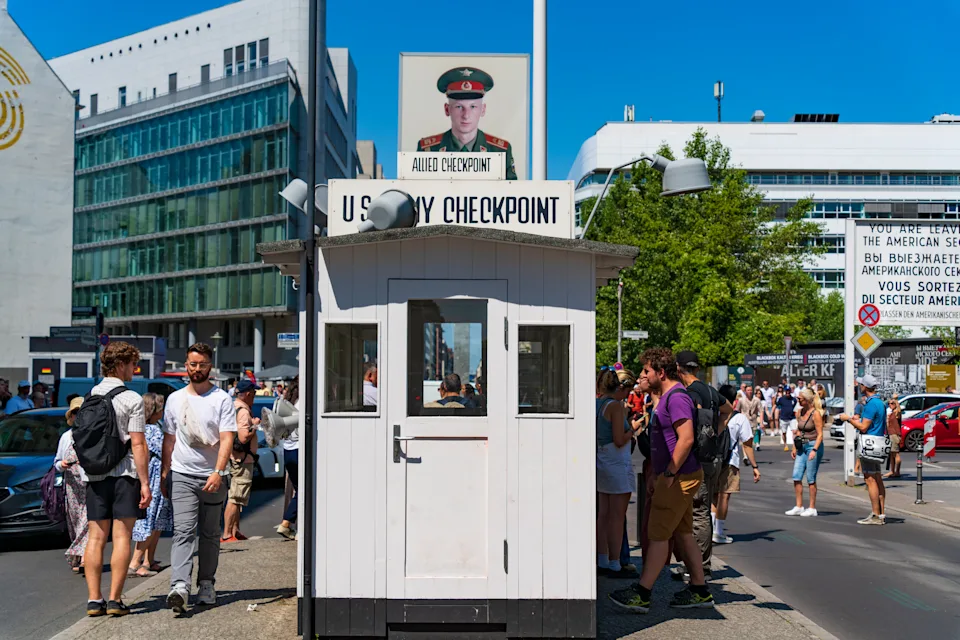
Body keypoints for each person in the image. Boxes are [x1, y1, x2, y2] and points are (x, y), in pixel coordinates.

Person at [609, 348, 713, 613]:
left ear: (660, 372)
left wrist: (668, 473)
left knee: (657, 534)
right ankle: (700, 590)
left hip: (679, 477)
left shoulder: (676, 398)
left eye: (646, 371)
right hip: (677, 475)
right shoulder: (668, 397)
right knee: (683, 532)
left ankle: (642, 593)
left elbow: (686, 439)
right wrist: (658, 471)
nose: (642, 375)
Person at [161, 343, 237, 612]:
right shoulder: (175, 399)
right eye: (192, 364)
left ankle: (206, 583)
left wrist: (218, 471)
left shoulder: (222, 399)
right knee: (182, 531)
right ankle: (179, 586)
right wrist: (165, 472)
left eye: (202, 364)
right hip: (182, 474)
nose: (196, 369)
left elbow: (228, 437)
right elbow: (169, 438)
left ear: (210, 367)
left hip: (213, 476)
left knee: (209, 533)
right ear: (186, 365)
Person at [80, 342, 150, 618]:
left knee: (96, 538)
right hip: (125, 475)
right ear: (120, 365)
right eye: (133, 363)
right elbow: (138, 444)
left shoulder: (90, 396)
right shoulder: (132, 398)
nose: (135, 368)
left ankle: (93, 600)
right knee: (122, 537)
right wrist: (145, 483)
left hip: (95, 474)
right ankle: (114, 600)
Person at [674, 350, 731, 577]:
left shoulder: (688, 394)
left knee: (698, 512)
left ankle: (699, 567)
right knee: (703, 510)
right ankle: (698, 564)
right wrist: (716, 431)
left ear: (678, 369)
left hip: (697, 458)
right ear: (696, 368)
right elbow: (728, 409)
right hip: (712, 456)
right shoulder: (710, 390)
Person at [417, 66, 517, 180]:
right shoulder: (428, 151)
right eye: (459, 107)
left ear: (483, 109)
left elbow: (511, 195)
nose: (466, 115)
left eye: (473, 107)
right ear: (447, 109)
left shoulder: (500, 151)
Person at [595, 367, 639, 577]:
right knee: (617, 516)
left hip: (601, 459)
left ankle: (602, 559)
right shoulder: (615, 406)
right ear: (620, 387)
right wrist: (634, 428)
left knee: (603, 514)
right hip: (615, 461)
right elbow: (620, 440)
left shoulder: (597, 403)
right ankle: (615, 563)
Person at [129, 393, 172, 577]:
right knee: (151, 521)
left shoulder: (144, 428)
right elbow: (165, 452)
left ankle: (149, 560)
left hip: (150, 479)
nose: (162, 411)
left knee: (156, 522)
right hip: (155, 481)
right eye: (160, 408)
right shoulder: (152, 430)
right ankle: (135, 563)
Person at [713, 385, 761, 544]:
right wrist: (754, 466)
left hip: (711, 460)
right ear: (734, 400)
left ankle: (710, 529)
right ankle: (718, 531)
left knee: (713, 495)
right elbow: (747, 445)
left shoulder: (712, 414)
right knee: (724, 495)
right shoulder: (739, 418)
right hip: (730, 461)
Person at [839, 374, 888, 525]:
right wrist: (858, 420)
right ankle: (880, 514)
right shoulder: (880, 402)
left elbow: (864, 427)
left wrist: (848, 419)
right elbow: (872, 423)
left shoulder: (871, 404)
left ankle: (875, 515)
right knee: (878, 478)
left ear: (865, 387)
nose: (859, 386)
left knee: (870, 479)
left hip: (869, 444)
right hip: (878, 442)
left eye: (861, 384)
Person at [222, 378, 261, 543]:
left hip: (236, 457)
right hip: (242, 459)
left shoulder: (233, 407)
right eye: (253, 393)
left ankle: (235, 530)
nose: (254, 396)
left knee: (237, 497)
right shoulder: (244, 411)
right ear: (246, 394)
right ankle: (226, 534)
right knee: (235, 498)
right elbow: (244, 437)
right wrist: (255, 425)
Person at [54, 397, 89, 574]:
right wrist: (63, 465)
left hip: (89, 483)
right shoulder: (66, 437)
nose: (78, 416)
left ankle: (83, 557)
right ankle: (77, 556)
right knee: (74, 522)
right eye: (76, 413)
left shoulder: (92, 434)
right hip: (72, 485)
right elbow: (57, 462)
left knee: (87, 521)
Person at [785, 388, 825, 517]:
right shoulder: (800, 412)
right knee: (796, 475)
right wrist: (794, 447)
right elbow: (798, 430)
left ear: (807, 400)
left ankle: (812, 508)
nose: (798, 401)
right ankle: (799, 506)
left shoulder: (816, 414)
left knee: (810, 477)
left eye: (800, 399)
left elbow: (820, 435)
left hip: (813, 445)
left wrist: (814, 450)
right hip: (801, 446)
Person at [277, 378, 300, 540]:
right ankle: (287, 522)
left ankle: (289, 524)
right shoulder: (305, 401)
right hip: (299, 448)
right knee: (306, 490)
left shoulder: (287, 401)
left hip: (288, 448)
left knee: (299, 489)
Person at [739, 386, 763, 451]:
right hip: (744, 422)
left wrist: (761, 422)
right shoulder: (741, 400)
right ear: (745, 391)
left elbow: (761, 411)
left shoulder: (757, 400)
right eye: (748, 390)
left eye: (750, 390)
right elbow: (737, 410)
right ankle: (745, 456)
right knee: (745, 439)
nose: (749, 391)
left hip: (753, 421)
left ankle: (756, 444)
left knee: (753, 436)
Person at [884, 397, 903, 479]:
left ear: (896, 404)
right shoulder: (891, 413)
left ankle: (897, 471)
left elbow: (898, 410)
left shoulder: (897, 413)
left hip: (895, 434)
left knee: (896, 453)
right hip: (890, 434)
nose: (890, 405)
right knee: (891, 454)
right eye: (889, 403)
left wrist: (896, 400)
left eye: (892, 403)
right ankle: (892, 471)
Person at [776, 386, 798, 452]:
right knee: (784, 432)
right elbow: (777, 405)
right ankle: (785, 444)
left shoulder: (794, 399)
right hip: (783, 418)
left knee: (794, 432)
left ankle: (794, 445)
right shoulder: (781, 399)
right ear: (785, 392)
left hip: (792, 418)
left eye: (789, 391)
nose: (788, 392)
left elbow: (796, 407)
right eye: (786, 391)